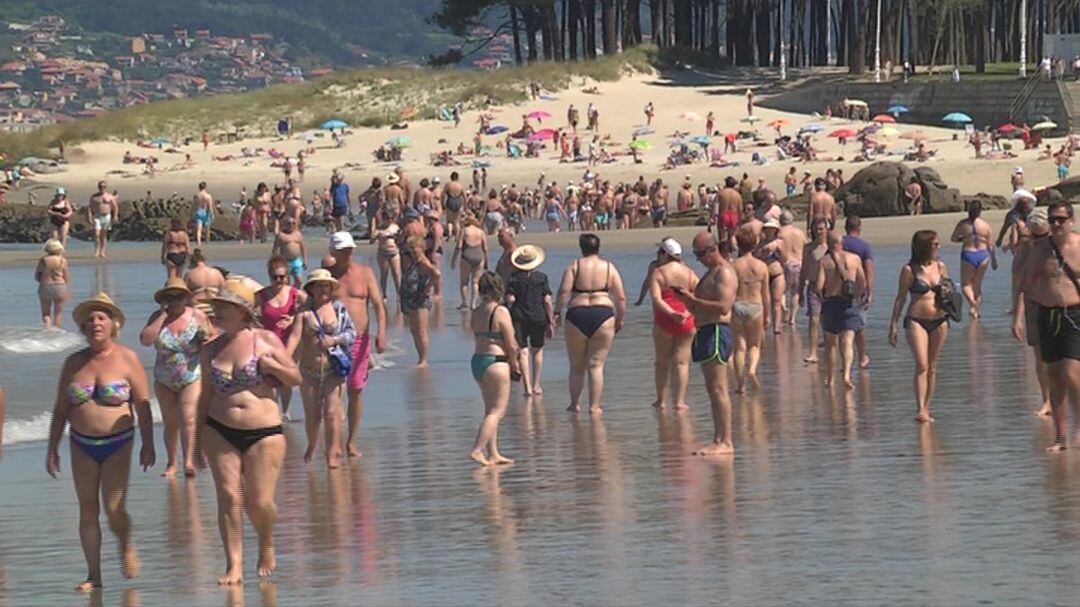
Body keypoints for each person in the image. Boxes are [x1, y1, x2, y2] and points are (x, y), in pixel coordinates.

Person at [46, 293, 155, 591]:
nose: (95, 322)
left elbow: (143, 405)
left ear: (113, 324)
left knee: (114, 507)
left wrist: (149, 443)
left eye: (102, 317)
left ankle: (125, 542)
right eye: (90, 318)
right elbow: (60, 408)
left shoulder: (127, 358)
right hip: (80, 442)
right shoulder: (73, 363)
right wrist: (51, 447)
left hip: (118, 441)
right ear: (83, 327)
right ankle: (94, 574)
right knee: (88, 508)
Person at [198, 279, 299, 584]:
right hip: (218, 429)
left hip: (264, 432)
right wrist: (193, 444)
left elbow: (295, 378)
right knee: (229, 497)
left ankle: (266, 541)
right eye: (215, 308)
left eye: (224, 308)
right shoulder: (210, 349)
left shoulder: (265, 339)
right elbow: (203, 395)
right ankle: (234, 566)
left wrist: (275, 368)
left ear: (243, 312)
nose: (216, 313)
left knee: (260, 502)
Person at [1014, 201, 1080, 451]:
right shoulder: (1039, 249)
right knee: (1054, 377)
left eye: (1061, 219)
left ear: (1071, 221)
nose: (1055, 224)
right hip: (1046, 314)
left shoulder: (1078, 245)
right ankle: (1061, 437)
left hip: (1074, 314)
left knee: (1072, 373)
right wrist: (1018, 317)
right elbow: (1025, 284)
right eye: (1052, 219)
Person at [325, 232, 388, 456]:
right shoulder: (328, 278)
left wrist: (381, 332)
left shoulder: (365, 273)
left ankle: (351, 441)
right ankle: (334, 442)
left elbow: (379, 306)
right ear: (333, 252)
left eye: (349, 249)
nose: (347, 254)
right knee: (335, 392)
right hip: (335, 343)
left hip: (361, 341)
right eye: (342, 250)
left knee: (356, 390)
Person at [673, 232, 736, 456]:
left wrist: (692, 300)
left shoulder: (725, 272)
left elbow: (723, 306)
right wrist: (686, 301)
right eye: (695, 254)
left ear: (712, 250)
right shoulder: (709, 274)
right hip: (705, 330)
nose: (698, 259)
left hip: (718, 330)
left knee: (719, 387)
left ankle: (726, 441)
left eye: (700, 254)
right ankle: (718, 437)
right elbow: (699, 306)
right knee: (712, 388)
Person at [139, 279, 208, 477]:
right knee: (170, 422)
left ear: (187, 297)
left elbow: (212, 340)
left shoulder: (198, 316)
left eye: (179, 296)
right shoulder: (157, 317)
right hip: (164, 378)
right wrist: (162, 316)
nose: (175, 301)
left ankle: (188, 461)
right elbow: (145, 340)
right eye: (170, 297)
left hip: (191, 374)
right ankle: (171, 463)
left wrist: (204, 340)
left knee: (188, 418)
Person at [288, 269, 356, 469]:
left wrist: (334, 339)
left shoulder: (338, 309)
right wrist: (284, 357)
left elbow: (351, 334)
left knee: (332, 414)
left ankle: (332, 453)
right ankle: (312, 444)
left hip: (332, 370)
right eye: (319, 286)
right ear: (311, 289)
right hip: (308, 371)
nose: (323, 289)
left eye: (326, 286)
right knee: (313, 417)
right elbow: (294, 337)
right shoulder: (303, 313)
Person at [555, 234, 627, 414]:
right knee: (596, 365)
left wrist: (556, 312)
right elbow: (621, 297)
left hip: (577, 314)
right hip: (603, 314)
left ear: (581, 248)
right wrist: (620, 318)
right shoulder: (609, 267)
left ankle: (574, 405)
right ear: (598, 248)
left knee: (577, 366)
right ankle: (594, 406)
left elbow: (563, 291)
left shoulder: (574, 266)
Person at [889, 230, 950, 423]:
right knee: (922, 364)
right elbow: (900, 298)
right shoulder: (910, 270)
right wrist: (893, 325)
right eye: (935, 245)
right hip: (916, 320)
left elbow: (949, 290)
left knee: (932, 367)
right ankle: (920, 408)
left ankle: (927, 407)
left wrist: (948, 292)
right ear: (924, 247)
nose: (938, 247)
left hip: (940, 320)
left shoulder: (940, 266)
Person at [469, 272, 521, 466]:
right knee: (498, 412)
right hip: (496, 361)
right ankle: (477, 449)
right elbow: (511, 343)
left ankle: (493, 453)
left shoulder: (476, 311)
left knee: (489, 410)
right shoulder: (500, 311)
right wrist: (515, 363)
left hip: (478, 361)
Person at [648, 238, 699, 408]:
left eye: (659, 253)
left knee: (662, 362)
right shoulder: (690, 273)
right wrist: (686, 313)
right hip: (686, 319)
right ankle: (679, 401)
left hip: (665, 319)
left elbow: (656, 298)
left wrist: (671, 313)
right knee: (682, 363)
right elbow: (699, 296)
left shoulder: (659, 272)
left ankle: (661, 400)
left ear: (664, 254)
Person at [1012, 209, 1052, 417]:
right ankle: (1047, 400)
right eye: (1035, 236)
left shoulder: (1060, 244)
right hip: (1034, 304)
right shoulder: (1026, 249)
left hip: (1061, 305)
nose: (1039, 240)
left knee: (1066, 357)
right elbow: (1020, 285)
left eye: (1043, 236)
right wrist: (1017, 317)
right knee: (1040, 356)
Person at [257, 257, 308, 420]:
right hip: (268, 343)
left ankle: (285, 411)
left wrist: (295, 318)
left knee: (286, 379)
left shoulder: (294, 293)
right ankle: (272, 410)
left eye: (282, 277)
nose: (278, 281)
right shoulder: (262, 295)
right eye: (274, 277)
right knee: (269, 378)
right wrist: (256, 323)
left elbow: (312, 305)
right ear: (269, 276)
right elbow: (246, 312)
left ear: (288, 276)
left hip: (290, 342)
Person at [818, 230, 866, 390]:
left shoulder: (824, 262)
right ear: (842, 243)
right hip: (849, 303)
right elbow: (862, 282)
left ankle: (830, 378)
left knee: (831, 345)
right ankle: (846, 375)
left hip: (831, 303)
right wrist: (858, 296)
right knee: (847, 342)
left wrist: (821, 296)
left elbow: (818, 287)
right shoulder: (855, 259)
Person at [506, 245, 554, 397]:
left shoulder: (513, 278)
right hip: (538, 316)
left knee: (523, 352)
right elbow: (547, 300)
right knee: (538, 350)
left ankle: (526, 387)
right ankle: (536, 384)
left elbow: (510, 299)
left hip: (519, 317)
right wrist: (551, 320)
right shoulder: (542, 277)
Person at [730, 228, 770, 393]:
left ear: (738, 244)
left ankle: (740, 385)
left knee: (739, 348)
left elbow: (729, 290)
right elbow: (766, 295)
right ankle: (752, 369)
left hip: (737, 305)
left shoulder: (733, 266)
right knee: (754, 345)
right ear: (754, 245)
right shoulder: (761, 266)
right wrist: (767, 316)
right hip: (755, 306)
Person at [950, 200, 996, 319]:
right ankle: (975, 312)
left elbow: (953, 238)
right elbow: (991, 245)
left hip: (968, 254)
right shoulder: (985, 226)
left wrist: (963, 239)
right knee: (977, 285)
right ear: (980, 211)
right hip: (983, 255)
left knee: (966, 284)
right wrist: (994, 260)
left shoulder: (963, 224)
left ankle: (973, 305)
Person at [399, 235, 439, 367]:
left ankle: (424, 360)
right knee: (414, 331)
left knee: (421, 331)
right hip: (411, 301)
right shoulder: (414, 262)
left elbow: (436, 274)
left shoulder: (423, 263)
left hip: (420, 301)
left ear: (421, 248)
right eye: (410, 248)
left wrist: (427, 289)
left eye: (414, 248)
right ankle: (420, 358)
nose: (411, 250)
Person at [842, 216, 875, 368]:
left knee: (841, 327)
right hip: (858, 289)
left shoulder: (838, 243)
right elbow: (868, 270)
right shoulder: (864, 246)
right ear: (859, 228)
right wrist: (869, 292)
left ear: (845, 227)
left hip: (839, 289)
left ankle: (844, 361)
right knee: (860, 326)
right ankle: (862, 357)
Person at [452, 216, 488, 310]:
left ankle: (464, 303)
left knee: (464, 282)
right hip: (478, 256)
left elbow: (459, 246)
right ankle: (473, 303)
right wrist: (486, 262)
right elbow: (485, 249)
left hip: (466, 255)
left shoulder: (464, 231)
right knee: (475, 282)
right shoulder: (481, 232)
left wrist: (454, 260)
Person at [778, 211, 806, 327]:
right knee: (796, 292)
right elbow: (805, 247)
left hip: (786, 263)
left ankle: (784, 308)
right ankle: (792, 319)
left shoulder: (780, 233)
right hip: (799, 263)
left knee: (783, 290)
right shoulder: (800, 233)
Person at [35, 239, 69, 328]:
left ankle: (48, 330)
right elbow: (66, 277)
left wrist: (41, 281)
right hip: (60, 286)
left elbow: (36, 276)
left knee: (46, 313)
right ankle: (57, 333)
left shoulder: (43, 260)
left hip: (46, 285)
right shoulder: (63, 260)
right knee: (58, 313)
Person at [271, 215, 307, 287]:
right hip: (285, 261)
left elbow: (303, 248)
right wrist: (274, 262)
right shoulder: (281, 235)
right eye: (289, 223)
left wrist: (305, 260)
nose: (291, 225)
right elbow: (275, 249)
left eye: (293, 223)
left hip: (296, 260)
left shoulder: (298, 234)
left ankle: (294, 294)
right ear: (284, 224)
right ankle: (288, 295)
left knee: (299, 281)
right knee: (286, 282)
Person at [374, 217, 402, 302]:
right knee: (384, 274)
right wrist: (377, 235)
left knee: (397, 274)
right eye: (386, 218)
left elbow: (401, 237)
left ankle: (399, 294)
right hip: (383, 253)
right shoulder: (380, 227)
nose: (389, 220)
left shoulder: (395, 227)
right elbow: (372, 238)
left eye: (390, 218)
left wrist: (395, 237)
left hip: (394, 252)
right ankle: (384, 295)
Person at [88, 181, 118, 259]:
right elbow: (90, 207)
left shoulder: (109, 196)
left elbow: (115, 207)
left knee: (104, 235)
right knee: (96, 234)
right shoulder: (94, 197)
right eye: (101, 186)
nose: (102, 188)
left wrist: (115, 216)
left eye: (104, 187)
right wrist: (89, 216)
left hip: (107, 216)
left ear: (106, 187)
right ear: (98, 187)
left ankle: (102, 252)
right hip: (97, 216)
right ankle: (97, 251)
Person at [192, 181, 215, 248]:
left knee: (199, 228)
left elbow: (194, 205)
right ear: (205, 187)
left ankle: (199, 242)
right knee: (207, 228)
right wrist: (212, 214)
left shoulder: (197, 196)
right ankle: (207, 241)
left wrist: (191, 212)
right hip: (206, 212)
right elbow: (210, 206)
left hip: (199, 211)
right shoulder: (208, 196)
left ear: (199, 187)